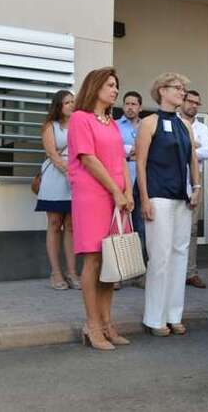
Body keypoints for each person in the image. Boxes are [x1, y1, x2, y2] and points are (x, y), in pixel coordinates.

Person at [68, 67, 134, 351]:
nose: (115, 90)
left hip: (116, 197)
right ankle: (92, 325)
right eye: (109, 85)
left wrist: (128, 191)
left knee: (112, 261)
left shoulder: (112, 123)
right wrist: (116, 191)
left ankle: (107, 324)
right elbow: (88, 159)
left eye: (116, 85)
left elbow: (120, 160)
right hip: (93, 195)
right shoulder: (80, 119)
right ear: (95, 87)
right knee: (94, 259)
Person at [137, 73, 201, 336]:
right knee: (160, 258)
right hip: (158, 196)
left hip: (181, 197)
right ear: (161, 91)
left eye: (184, 89)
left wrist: (197, 187)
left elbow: (192, 159)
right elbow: (140, 163)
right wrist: (144, 199)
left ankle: (174, 315)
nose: (182, 92)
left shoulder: (185, 125)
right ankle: (154, 318)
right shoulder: (149, 122)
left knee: (179, 256)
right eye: (177, 88)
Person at [35, 90, 80, 290]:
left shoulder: (79, 124)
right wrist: (68, 172)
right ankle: (56, 273)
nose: (71, 105)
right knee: (54, 223)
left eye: (73, 101)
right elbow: (52, 154)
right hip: (55, 177)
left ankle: (72, 272)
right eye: (67, 102)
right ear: (58, 106)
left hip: (75, 177)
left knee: (71, 225)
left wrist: (76, 174)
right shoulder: (50, 126)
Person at [179, 89, 208, 289]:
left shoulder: (202, 127)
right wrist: (194, 146)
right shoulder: (174, 122)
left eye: (196, 103)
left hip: (195, 180)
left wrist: (186, 148)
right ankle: (172, 272)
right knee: (172, 229)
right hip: (173, 179)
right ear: (182, 101)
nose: (193, 105)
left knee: (191, 229)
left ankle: (190, 272)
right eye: (190, 101)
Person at [116, 91, 146, 289]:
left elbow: (150, 152)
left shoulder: (147, 126)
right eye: (127, 103)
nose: (130, 107)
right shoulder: (115, 126)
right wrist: (131, 152)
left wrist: (129, 151)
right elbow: (113, 150)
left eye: (134, 104)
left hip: (142, 183)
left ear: (140, 107)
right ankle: (117, 274)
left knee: (142, 229)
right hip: (121, 182)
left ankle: (139, 273)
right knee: (120, 228)